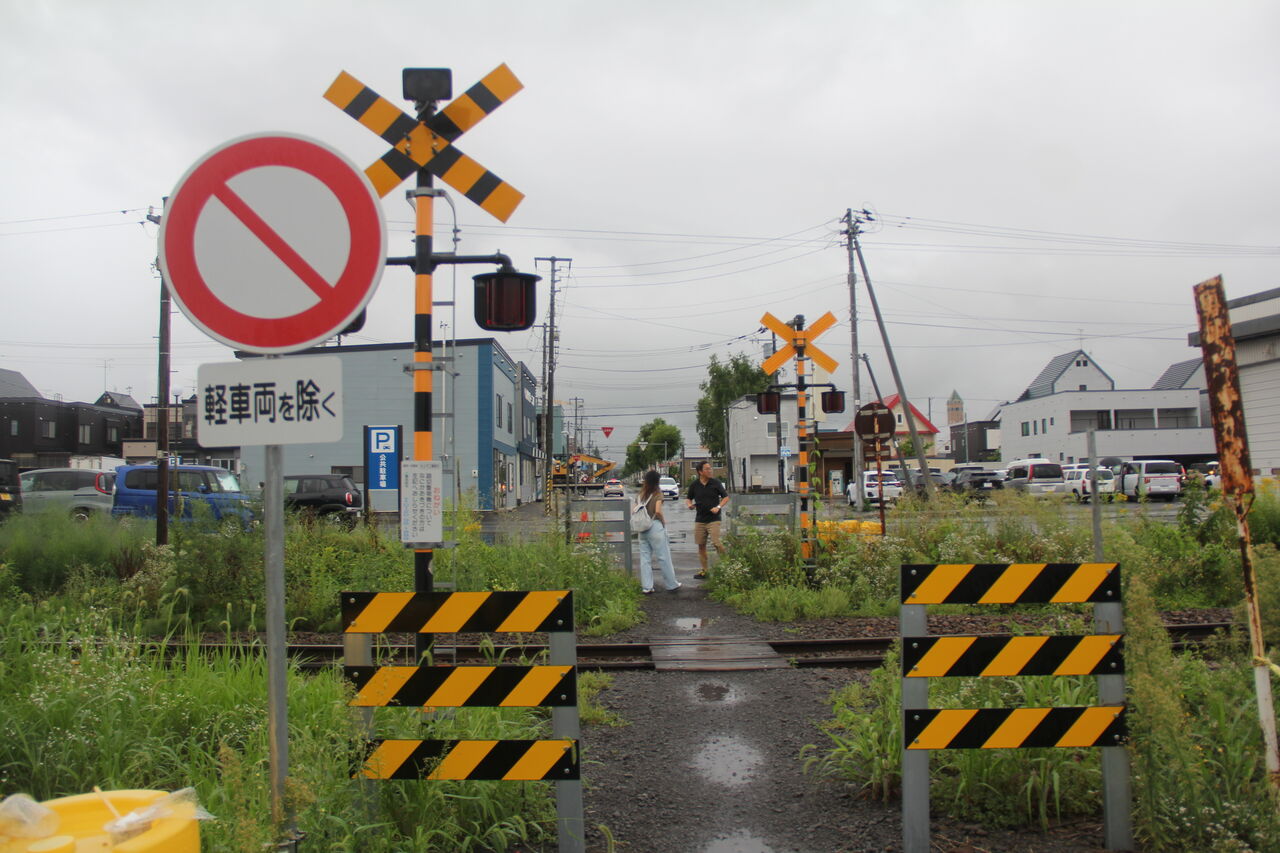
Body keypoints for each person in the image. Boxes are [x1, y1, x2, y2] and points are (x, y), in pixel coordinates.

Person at [635, 470, 680, 594]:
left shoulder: (640, 495)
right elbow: (658, 511)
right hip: (655, 526)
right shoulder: (657, 494)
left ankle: (647, 587)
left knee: (645, 558)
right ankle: (671, 584)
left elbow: (635, 510)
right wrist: (663, 521)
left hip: (642, 528)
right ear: (657, 481)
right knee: (663, 556)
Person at [685, 460, 728, 579]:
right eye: (707, 469)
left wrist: (718, 507)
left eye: (711, 468)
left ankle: (727, 565)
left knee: (716, 543)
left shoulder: (716, 483)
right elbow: (688, 498)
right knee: (701, 545)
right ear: (700, 472)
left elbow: (725, 497)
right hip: (700, 519)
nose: (710, 471)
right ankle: (704, 570)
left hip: (714, 519)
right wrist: (689, 505)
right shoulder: (694, 485)